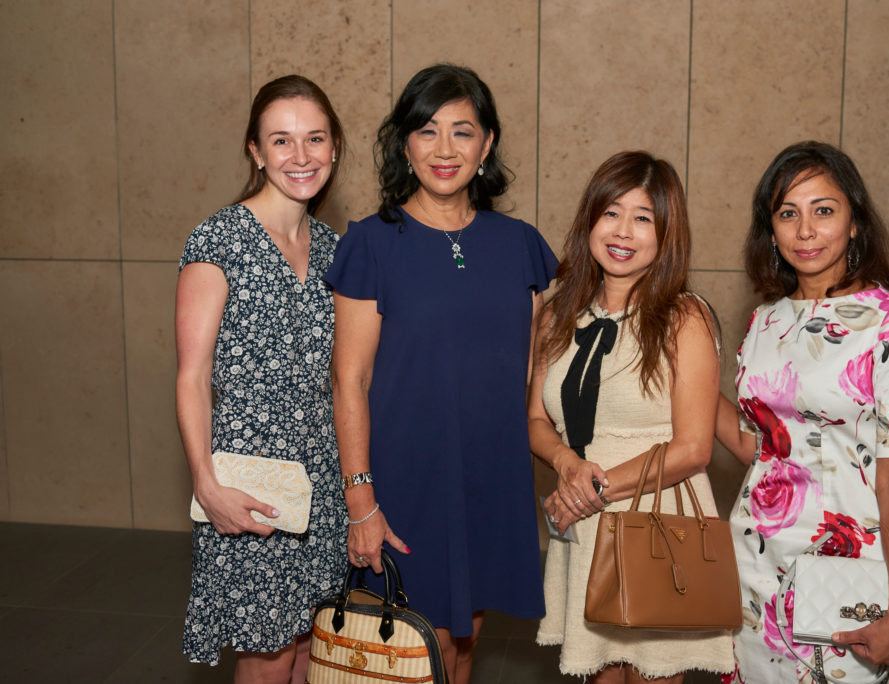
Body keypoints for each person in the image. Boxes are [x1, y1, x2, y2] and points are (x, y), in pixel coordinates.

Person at [325, 63, 557, 684]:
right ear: (405, 144)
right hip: (405, 477)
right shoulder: (371, 244)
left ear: (486, 145)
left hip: (491, 473)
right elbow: (349, 379)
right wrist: (360, 498)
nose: (445, 148)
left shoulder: (521, 244)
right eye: (427, 131)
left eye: (463, 131)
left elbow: (541, 369)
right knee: (402, 648)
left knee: (463, 642)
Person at [715, 140, 889, 683]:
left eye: (824, 210)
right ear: (771, 230)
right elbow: (759, 448)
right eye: (788, 213)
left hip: (845, 572)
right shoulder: (765, 322)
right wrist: (685, 382)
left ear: (855, 222)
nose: (805, 230)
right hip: (753, 564)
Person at [530, 151, 735, 683]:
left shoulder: (682, 316)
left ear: (666, 234)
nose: (623, 231)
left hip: (656, 521)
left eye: (643, 218)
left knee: (654, 675)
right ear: (590, 220)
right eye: (611, 213)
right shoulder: (558, 314)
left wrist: (586, 491)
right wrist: (566, 464)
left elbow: (694, 448)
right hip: (585, 520)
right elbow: (535, 420)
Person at [176, 75, 347, 682]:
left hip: (321, 476)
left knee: (310, 652)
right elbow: (192, 377)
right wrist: (206, 483)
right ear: (255, 151)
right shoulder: (218, 240)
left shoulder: (335, 250)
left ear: (334, 148)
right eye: (281, 140)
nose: (300, 156)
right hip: (251, 480)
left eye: (315, 139)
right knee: (268, 660)